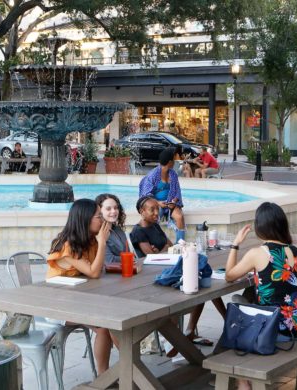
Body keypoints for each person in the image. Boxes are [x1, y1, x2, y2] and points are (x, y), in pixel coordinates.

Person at [224, 202, 297, 389]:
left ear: (260, 227)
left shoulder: (258, 253)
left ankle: (243, 382)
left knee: (234, 331)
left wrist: (235, 244)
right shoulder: (295, 251)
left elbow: (229, 275)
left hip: (278, 330)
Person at [131, 196, 225, 354]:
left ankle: (189, 330)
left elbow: (170, 245)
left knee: (203, 282)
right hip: (155, 276)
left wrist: (161, 250)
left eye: (157, 209)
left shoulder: (155, 226)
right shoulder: (138, 231)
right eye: (152, 209)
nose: (156, 213)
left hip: (169, 266)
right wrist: (162, 251)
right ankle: (176, 339)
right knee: (198, 283)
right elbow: (150, 257)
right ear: (142, 212)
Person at [46, 199, 114, 374]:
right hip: (57, 306)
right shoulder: (68, 244)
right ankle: (104, 377)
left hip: (79, 299)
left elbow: (98, 270)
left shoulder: (89, 240)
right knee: (105, 325)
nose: (102, 219)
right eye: (99, 216)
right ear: (85, 219)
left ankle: (122, 371)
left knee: (113, 319)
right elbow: (93, 273)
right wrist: (103, 243)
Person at [138, 148, 186, 243]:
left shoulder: (173, 174)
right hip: (155, 204)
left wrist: (174, 202)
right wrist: (158, 203)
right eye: (173, 160)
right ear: (169, 162)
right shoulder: (153, 175)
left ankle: (180, 244)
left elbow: (177, 192)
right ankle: (155, 243)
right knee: (153, 217)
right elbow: (145, 195)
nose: (175, 162)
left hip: (170, 204)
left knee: (180, 217)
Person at [95, 193, 128, 264]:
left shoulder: (118, 229)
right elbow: (109, 260)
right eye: (108, 209)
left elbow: (127, 253)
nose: (113, 211)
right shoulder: (98, 233)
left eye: (116, 208)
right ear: (99, 211)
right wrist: (130, 258)